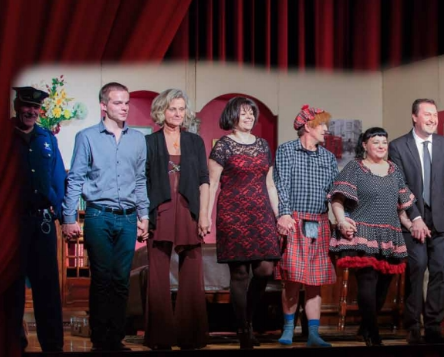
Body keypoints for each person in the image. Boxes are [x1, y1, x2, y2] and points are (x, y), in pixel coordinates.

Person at [62, 82, 150, 351]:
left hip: (128, 217)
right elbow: (75, 178)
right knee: (102, 278)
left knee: (121, 279)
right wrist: (69, 217)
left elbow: (140, 179)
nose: (124, 107)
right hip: (99, 215)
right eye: (117, 102)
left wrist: (144, 214)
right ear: (103, 106)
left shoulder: (137, 139)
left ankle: (116, 338)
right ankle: (101, 340)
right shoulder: (87, 137)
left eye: (126, 102)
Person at [388, 99, 444, 344]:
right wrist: (415, 218)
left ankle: (433, 327)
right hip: (413, 219)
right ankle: (413, 326)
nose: (433, 119)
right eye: (427, 114)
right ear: (414, 117)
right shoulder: (398, 146)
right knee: (417, 267)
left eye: (435, 115)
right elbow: (400, 186)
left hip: (441, 219)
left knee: (439, 273)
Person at [329, 127, 416, 347]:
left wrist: (413, 224)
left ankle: (366, 327)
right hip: (363, 234)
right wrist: (342, 221)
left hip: (389, 235)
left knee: (383, 286)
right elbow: (337, 199)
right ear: (365, 145)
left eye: (384, 142)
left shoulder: (394, 170)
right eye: (376, 142)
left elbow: (401, 207)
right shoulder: (355, 167)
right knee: (368, 280)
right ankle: (373, 335)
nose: (381, 146)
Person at [206, 97, 280, 349]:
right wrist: (206, 216)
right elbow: (212, 184)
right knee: (239, 273)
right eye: (244, 113)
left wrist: (279, 214)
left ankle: (247, 319)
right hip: (233, 214)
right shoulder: (223, 146)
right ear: (232, 116)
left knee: (265, 270)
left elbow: (270, 184)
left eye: (251, 113)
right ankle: (243, 329)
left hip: (261, 214)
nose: (249, 117)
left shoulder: (263, 145)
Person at [143, 89, 210, 350]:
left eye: (182, 109)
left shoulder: (195, 141)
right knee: (158, 274)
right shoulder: (150, 142)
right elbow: (142, 181)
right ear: (162, 111)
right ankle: (160, 337)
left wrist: (204, 214)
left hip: (188, 209)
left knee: (192, 270)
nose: (178, 113)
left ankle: (190, 335)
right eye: (173, 108)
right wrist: (143, 217)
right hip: (160, 209)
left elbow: (204, 180)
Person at [10, 86, 75, 352]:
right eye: (27, 106)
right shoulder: (2, 135)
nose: (31, 111)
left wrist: (62, 215)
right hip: (11, 225)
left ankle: (53, 346)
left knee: (47, 288)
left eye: (36, 108)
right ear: (17, 106)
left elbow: (59, 178)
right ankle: (13, 344)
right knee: (12, 289)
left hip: (43, 224)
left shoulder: (46, 137)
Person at [274, 105, 339, 347]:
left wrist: (342, 218)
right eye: (321, 124)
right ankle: (288, 329)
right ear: (308, 126)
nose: (326, 129)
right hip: (294, 220)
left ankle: (313, 333)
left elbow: (334, 192)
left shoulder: (328, 157)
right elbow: (281, 185)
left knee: (315, 281)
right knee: (292, 278)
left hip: (319, 222)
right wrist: (284, 214)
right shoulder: (286, 151)